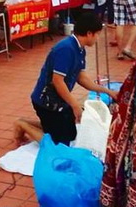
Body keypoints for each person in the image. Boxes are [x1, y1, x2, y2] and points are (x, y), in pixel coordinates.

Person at [13, 12, 118, 145]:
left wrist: (108, 92)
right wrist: (74, 105)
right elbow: (57, 81)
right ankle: (22, 125)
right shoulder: (66, 49)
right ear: (89, 33)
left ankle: (29, 123)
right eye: (97, 34)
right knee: (59, 143)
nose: (97, 38)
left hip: (59, 99)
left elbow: (81, 77)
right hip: (46, 101)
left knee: (70, 133)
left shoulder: (80, 49)